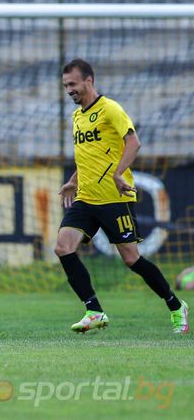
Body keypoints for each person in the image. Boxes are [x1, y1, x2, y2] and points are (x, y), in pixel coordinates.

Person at [54, 59, 188, 334]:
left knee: (131, 259)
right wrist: (72, 181)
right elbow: (88, 156)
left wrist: (119, 173)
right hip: (86, 198)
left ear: (88, 81)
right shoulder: (77, 116)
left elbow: (133, 142)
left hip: (115, 199)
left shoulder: (110, 109)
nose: (69, 90)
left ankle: (175, 305)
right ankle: (94, 310)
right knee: (63, 247)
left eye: (73, 84)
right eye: (65, 85)